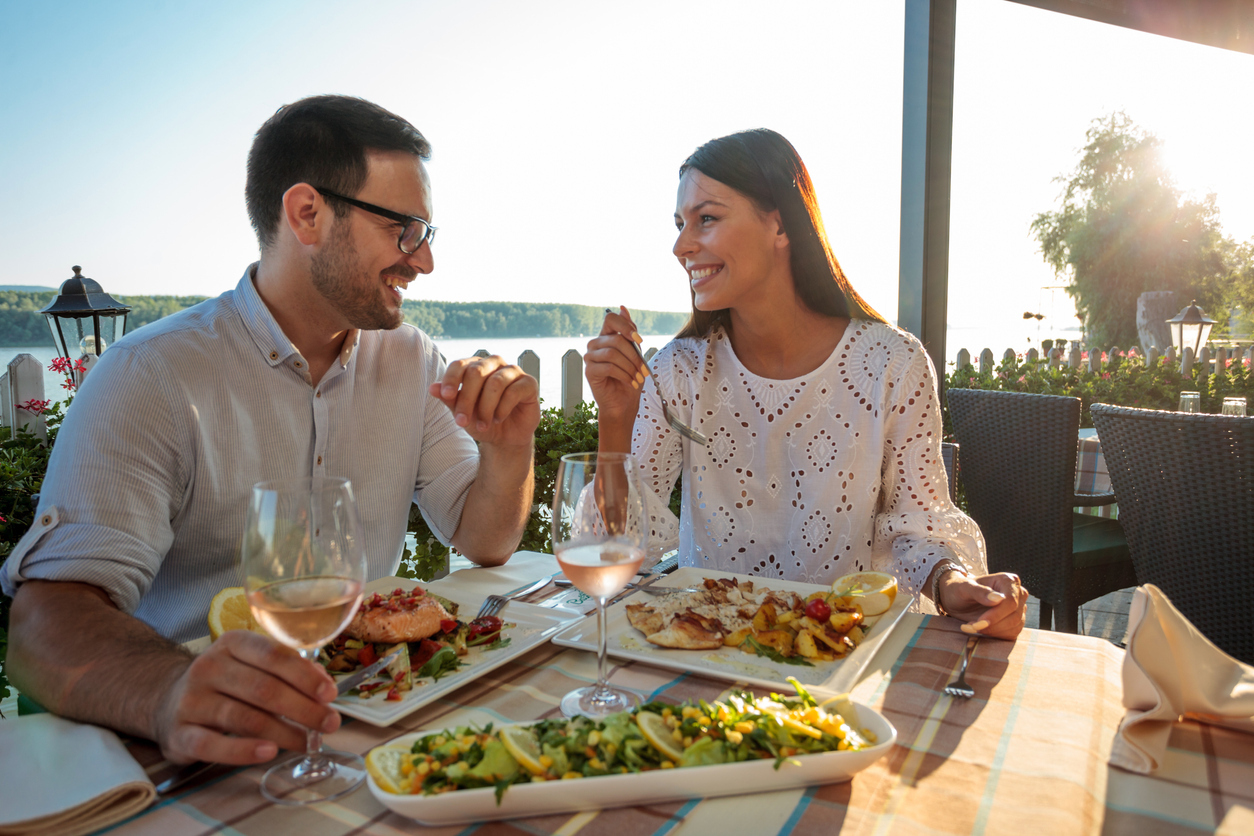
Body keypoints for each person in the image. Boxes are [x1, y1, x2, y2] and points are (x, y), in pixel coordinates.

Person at [1, 95, 540, 765]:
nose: (424, 262)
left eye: (428, 234)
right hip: (205, 752)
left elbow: (485, 541)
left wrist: (509, 448)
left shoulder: (411, 360)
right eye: (405, 229)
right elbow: (43, 625)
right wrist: (171, 690)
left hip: (381, 716)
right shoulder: (150, 375)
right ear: (307, 214)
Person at [584, 129, 1027, 640]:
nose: (681, 245)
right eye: (681, 223)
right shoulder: (679, 370)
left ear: (780, 224)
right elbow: (614, 547)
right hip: (707, 645)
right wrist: (615, 418)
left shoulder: (892, 363)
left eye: (706, 218)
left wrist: (954, 583)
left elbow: (917, 524)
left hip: (845, 651)